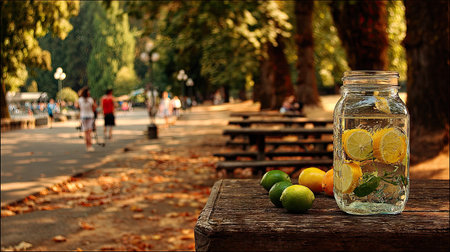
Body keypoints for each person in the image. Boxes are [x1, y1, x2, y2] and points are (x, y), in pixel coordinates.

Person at [77, 87, 96, 152]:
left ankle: (87, 146)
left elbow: (78, 107)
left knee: (86, 132)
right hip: (90, 116)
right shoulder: (90, 100)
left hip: (83, 116)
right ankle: (90, 146)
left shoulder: (80, 100)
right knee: (89, 132)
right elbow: (94, 108)